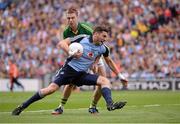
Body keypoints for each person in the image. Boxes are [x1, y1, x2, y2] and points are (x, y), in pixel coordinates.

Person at [12, 25, 128, 116]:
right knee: (51, 89)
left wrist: (119, 75)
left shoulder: (103, 48)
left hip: (81, 75)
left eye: (106, 37)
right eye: (103, 36)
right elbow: (61, 43)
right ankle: (23, 106)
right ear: (96, 34)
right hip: (68, 70)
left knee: (105, 81)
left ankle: (110, 104)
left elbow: (109, 61)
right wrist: (71, 52)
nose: (105, 39)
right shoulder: (82, 38)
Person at [52, 6, 109, 115]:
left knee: (103, 81)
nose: (70, 20)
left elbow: (99, 43)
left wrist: (95, 62)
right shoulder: (66, 33)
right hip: (79, 58)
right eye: (68, 18)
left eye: (72, 18)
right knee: (70, 83)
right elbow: (66, 48)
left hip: (95, 55)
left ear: (77, 17)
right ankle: (61, 107)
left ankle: (93, 107)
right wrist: (71, 56)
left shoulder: (87, 28)